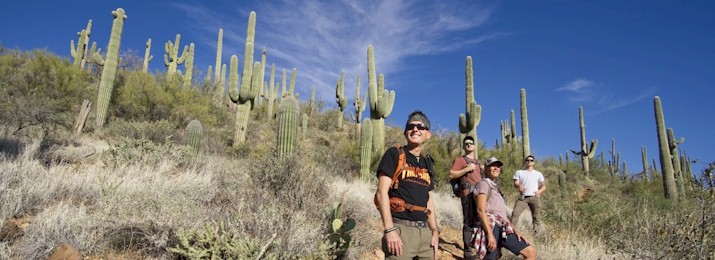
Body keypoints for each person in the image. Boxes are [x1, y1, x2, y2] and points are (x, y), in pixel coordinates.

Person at [376, 111, 440, 259]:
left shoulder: (428, 162)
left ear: (428, 134)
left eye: (420, 126)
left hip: (425, 234)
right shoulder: (394, 154)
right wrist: (390, 230)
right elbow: (381, 193)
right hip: (401, 230)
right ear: (405, 132)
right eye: (411, 126)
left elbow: (428, 198)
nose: (415, 129)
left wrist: (435, 231)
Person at [473, 157, 537, 260]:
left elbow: (502, 215)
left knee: (530, 252)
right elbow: (481, 210)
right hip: (491, 225)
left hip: (503, 226)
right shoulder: (483, 184)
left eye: (498, 166)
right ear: (485, 169)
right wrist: (490, 234)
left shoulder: (496, 188)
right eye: (493, 166)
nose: (496, 168)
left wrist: (516, 231)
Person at [449, 136, 482, 260]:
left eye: (471, 143)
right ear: (463, 147)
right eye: (466, 143)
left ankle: (477, 247)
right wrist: (467, 169)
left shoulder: (478, 163)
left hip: (479, 195)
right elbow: (452, 174)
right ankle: (468, 252)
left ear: (474, 146)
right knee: (468, 221)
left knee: (479, 221)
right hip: (467, 194)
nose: (468, 145)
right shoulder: (460, 160)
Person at [510, 155, 546, 233]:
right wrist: (519, 185)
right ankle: (510, 232)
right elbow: (515, 182)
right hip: (523, 197)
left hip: (535, 197)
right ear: (525, 162)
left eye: (531, 160)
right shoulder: (519, 172)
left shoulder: (538, 174)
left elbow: (543, 186)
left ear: (534, 163)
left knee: (536, 217)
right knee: (515, 214)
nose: (529, 161)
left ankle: (537, 234)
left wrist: (539, 191)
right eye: (527, 160)